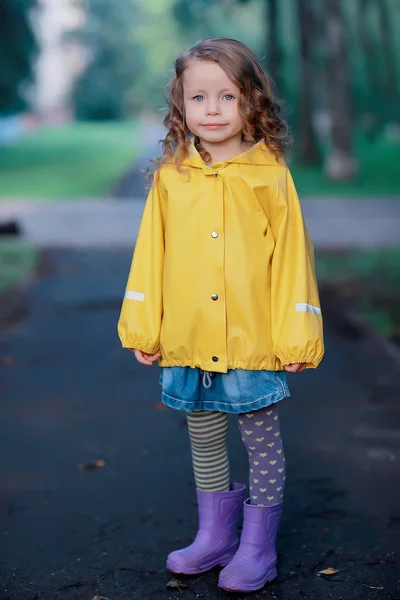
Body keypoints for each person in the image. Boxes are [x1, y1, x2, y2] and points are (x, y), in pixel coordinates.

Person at [118, 37, 324, 593]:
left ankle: (258, 546)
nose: (212, 110)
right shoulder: (171, 178)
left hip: (252, 339)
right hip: (188, 337)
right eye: (198, 97)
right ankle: (215, 536)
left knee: (260, 436)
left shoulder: (270, 178)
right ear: (180, 106)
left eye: (227, 96)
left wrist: (297, 335)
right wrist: (146, 324)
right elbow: (150, 254)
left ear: (251, 102)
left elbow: (291, 263)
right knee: (203, 432)